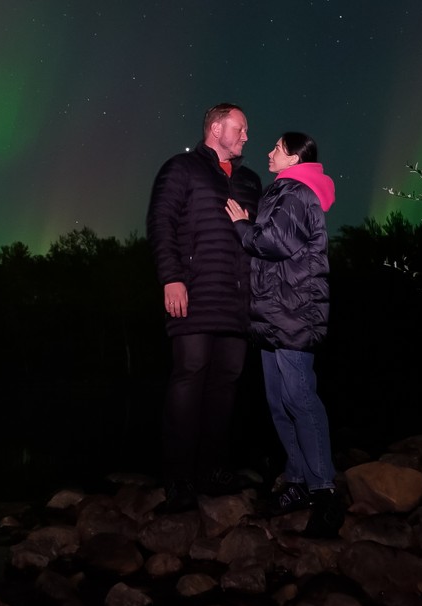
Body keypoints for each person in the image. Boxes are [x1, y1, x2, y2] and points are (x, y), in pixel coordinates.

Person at [225, 131, 344, 538]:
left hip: (294, 313)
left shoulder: (297, 193)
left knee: (299, 399)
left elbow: (274, 242)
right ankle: (296, 482)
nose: (268, 151)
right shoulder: (284, 190)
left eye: (276, 147)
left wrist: (241, 224)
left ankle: (325, 492)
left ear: (294, 158)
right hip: (274, 314)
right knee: (279, 402)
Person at [146, 103, 264, 512]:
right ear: (216, 127)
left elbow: (259, 238)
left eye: (246, 130)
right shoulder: (181, 169)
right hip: (194, 293)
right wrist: (171, 277)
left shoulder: (250, 180)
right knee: (189, 376)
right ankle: (178, 480)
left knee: (226, 384)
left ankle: (214, 470)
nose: (247, 136)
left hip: (237, 301)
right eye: (241, 127)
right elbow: (160, 223)